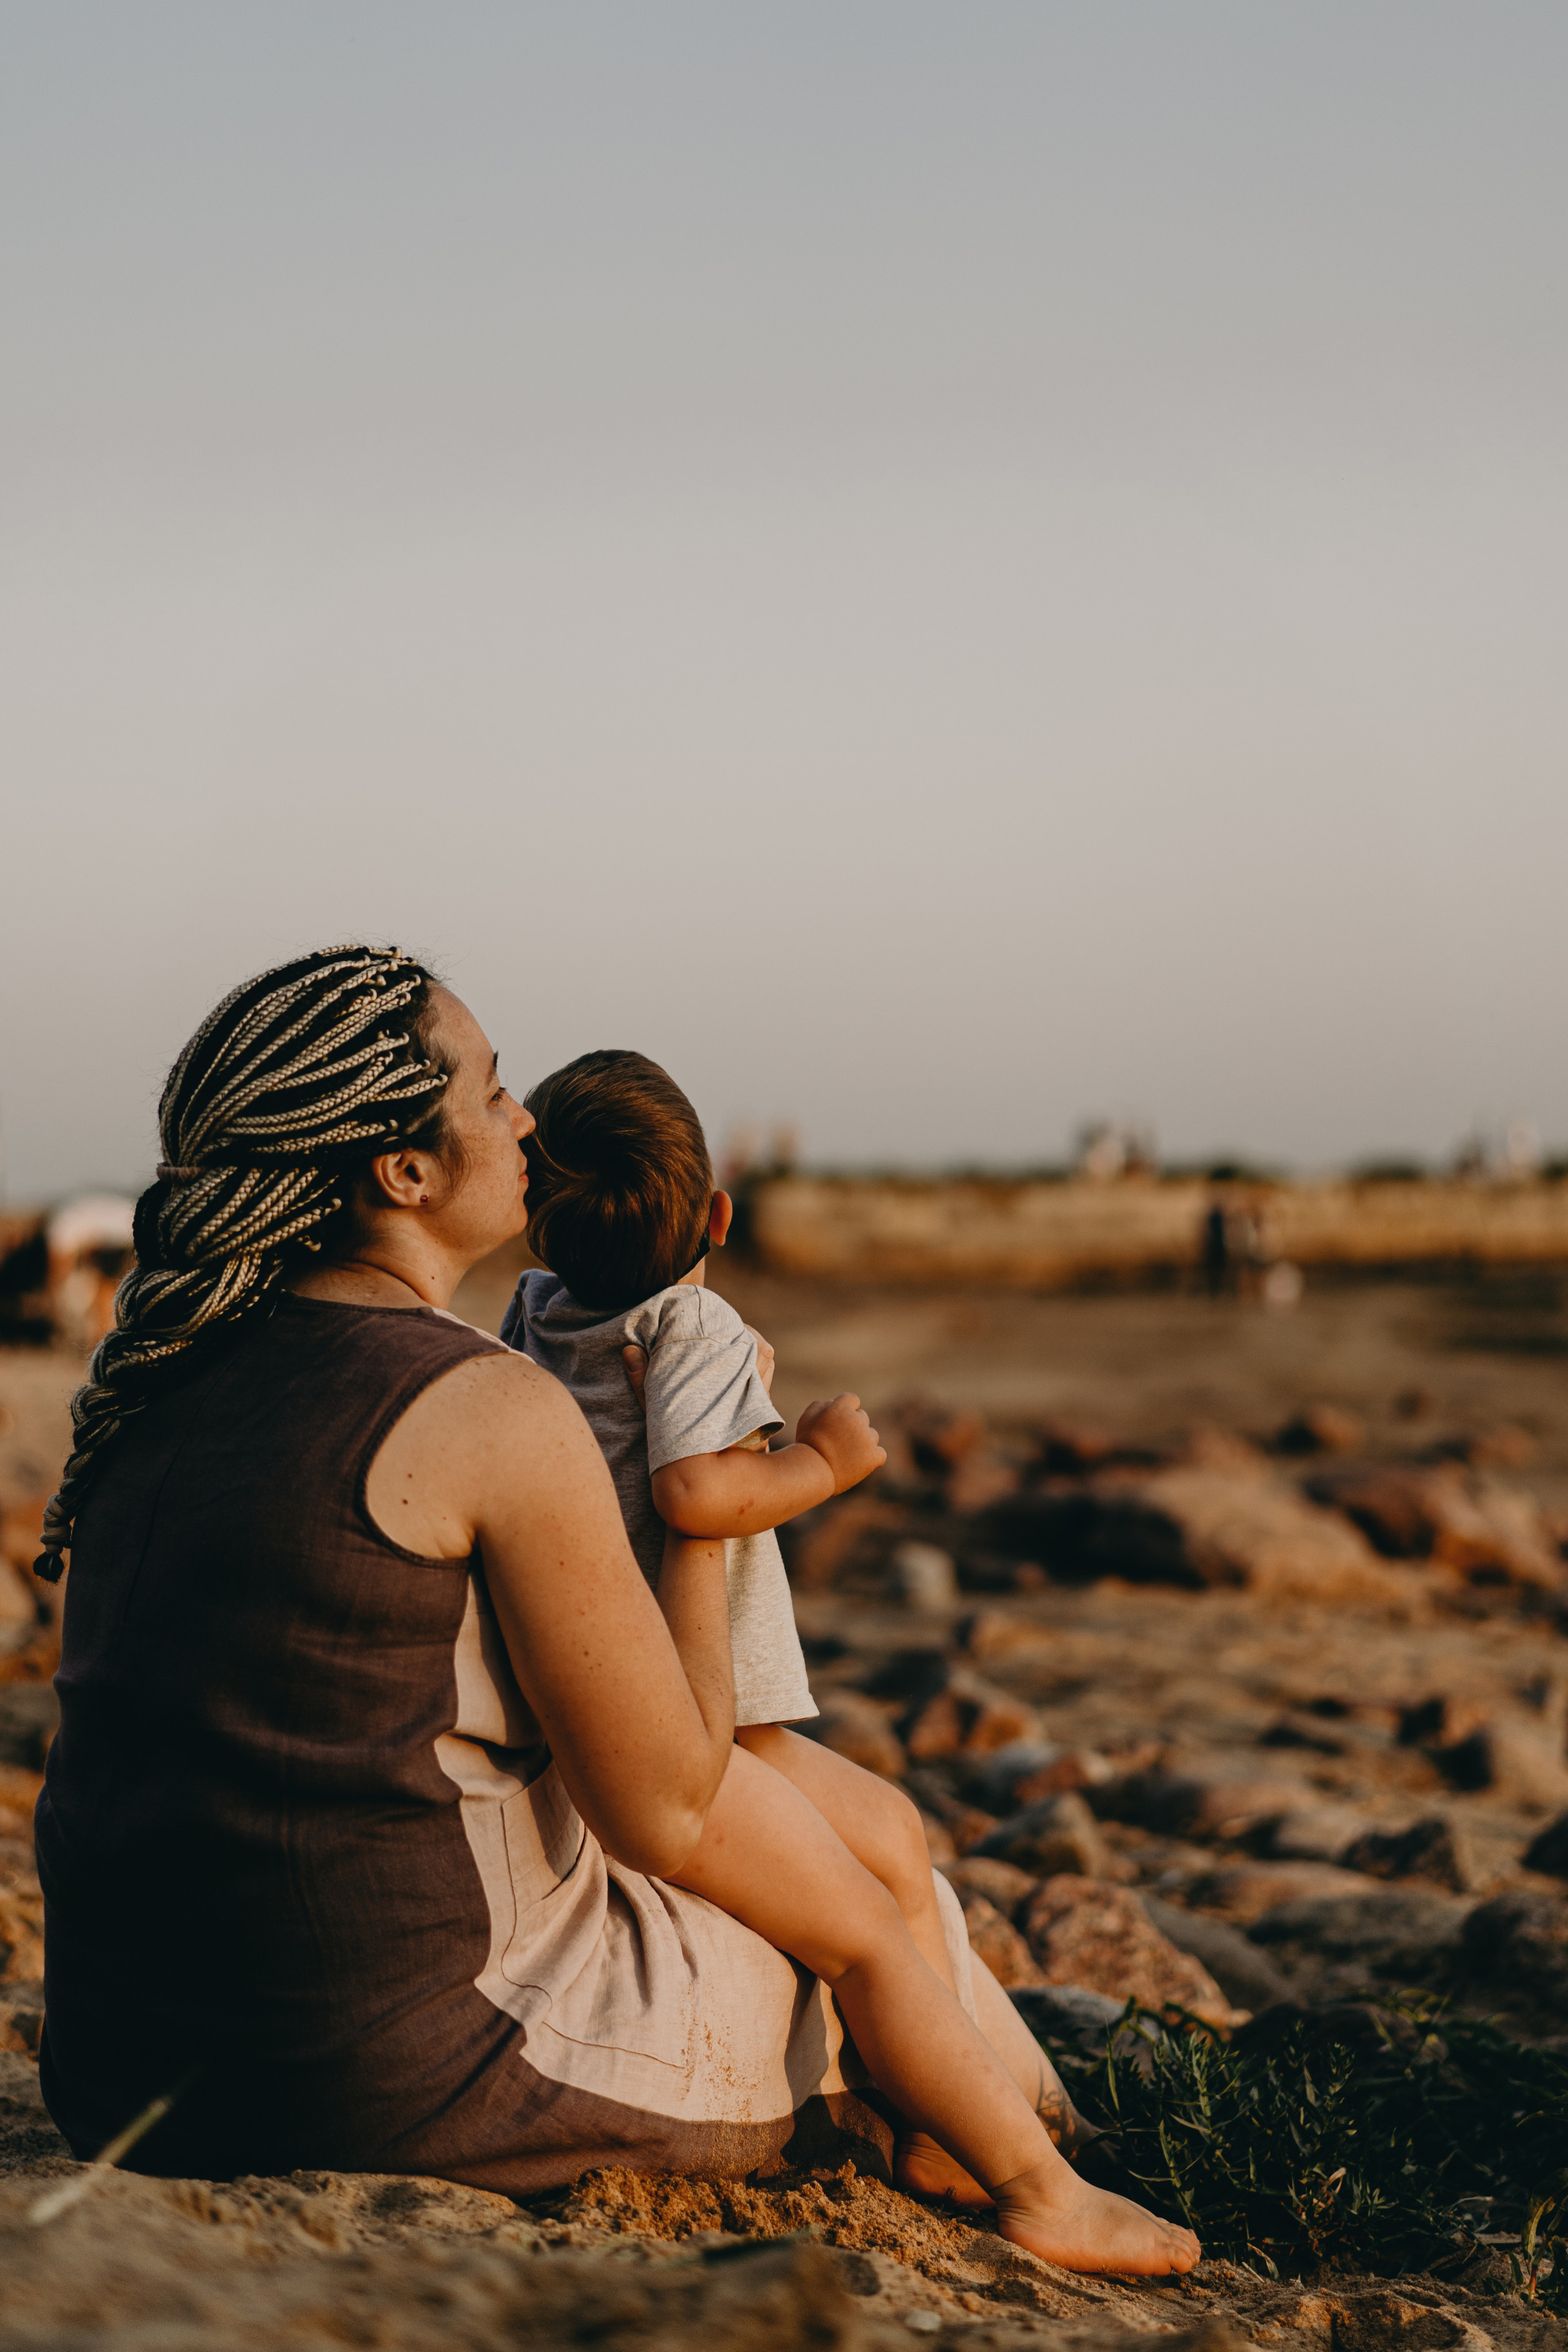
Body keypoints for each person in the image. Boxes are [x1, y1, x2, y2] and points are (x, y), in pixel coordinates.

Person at [33, 946, 1197, 2277]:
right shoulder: (480, 1404)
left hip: (124, 2072)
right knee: (866, 1939)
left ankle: (1015, 2140)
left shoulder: (153, 1392)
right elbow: (664, 1806)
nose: (523, 1119)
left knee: (868, 1855)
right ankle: (1045, 2166)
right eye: (488, 1091)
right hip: (392, 2079)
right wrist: (689, 1519)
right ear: (401, 1173)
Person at [505, 1049, 1005, 2205]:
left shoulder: (532, 1313)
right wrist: (822, 1464)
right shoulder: (694, 1321)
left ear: (536, 1220)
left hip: (586, 1655)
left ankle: (933, 2097)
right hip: (695, 1688)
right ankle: (941, 2116)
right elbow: (698, 1496)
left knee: (884, 1838)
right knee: (892, 1841)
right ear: (720, 1212)